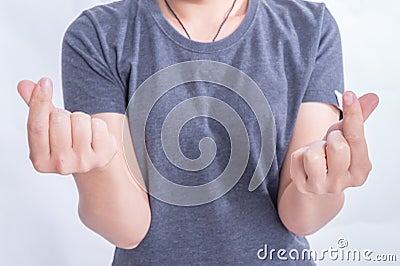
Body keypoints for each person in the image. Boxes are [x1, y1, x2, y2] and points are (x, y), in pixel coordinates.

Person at [17, 0, 379, 264]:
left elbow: (300, 218)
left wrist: (322, 182)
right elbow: (128, 229)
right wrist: (94, 165)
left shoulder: (309, 27)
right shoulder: (98, 34)